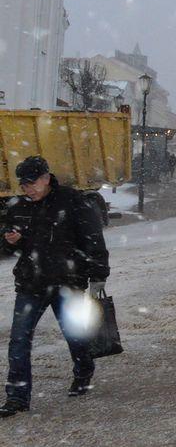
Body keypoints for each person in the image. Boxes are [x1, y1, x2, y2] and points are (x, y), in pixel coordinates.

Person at [1, 156, 109, 416]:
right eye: (23, 184)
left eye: (31, 183)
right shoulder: (19, 206)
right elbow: (11, 245)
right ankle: (17, 398)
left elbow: (93, 238)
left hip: (67, 282)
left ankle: (83, 372)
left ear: (46, 178)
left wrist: (98, 275)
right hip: (31, 283)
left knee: (74, 334)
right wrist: (11, 241)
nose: (27, 189)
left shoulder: (72, 201)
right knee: (19, 340)